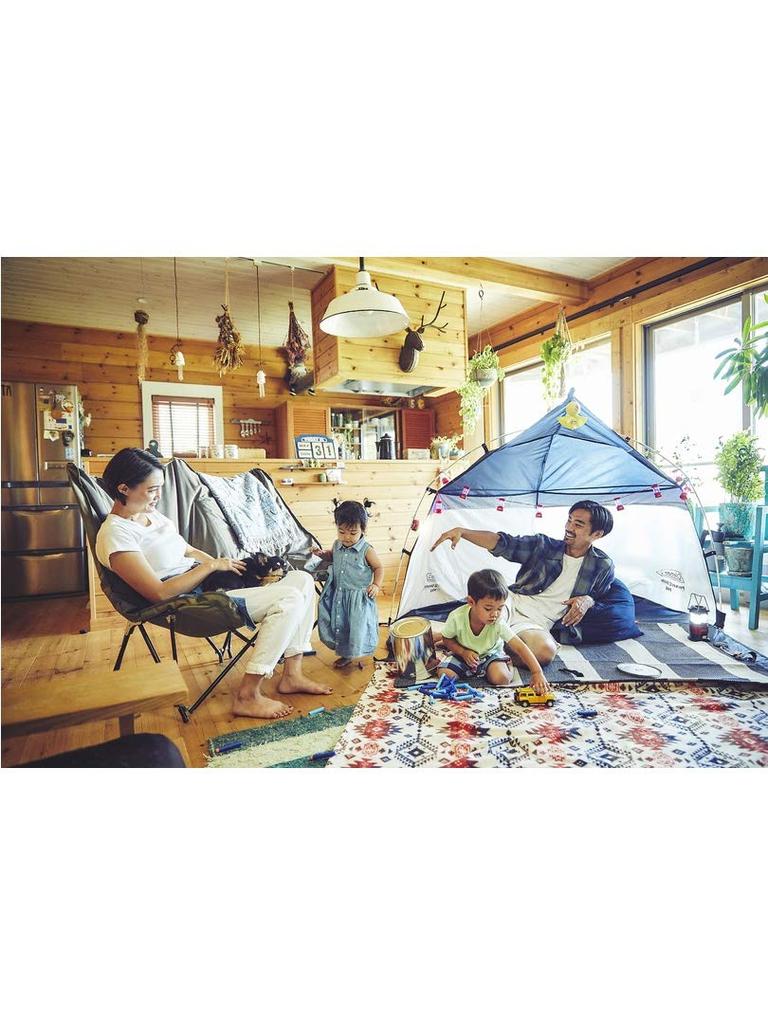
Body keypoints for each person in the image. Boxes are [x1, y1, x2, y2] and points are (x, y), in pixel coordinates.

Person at [95, 447, 330, 720]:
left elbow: (188, 550)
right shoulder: (115, 534)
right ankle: (248, 696)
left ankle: (292, 675)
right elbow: (159, 593)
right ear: (124, 488)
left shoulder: (151, 515)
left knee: (302, 579)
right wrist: (210, 567)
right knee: (288, 599)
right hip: (186, 602)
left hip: (208, 582)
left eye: (160, 488)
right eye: (152, 490)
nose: (158, 496)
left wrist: (222, 564)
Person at [431, 500, 614, 669]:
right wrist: (463, 532)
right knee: (481, 622)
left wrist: (588, 600)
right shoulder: (544, 546)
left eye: (578, 524)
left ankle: (486, 652)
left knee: (545, 653)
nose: (569, 527)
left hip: (536, 622)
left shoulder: (602, 565)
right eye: (569, 520)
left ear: (597, 534)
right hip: (510, 603)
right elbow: (503, 543)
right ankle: (447, 641)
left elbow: (601, 596)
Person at [437, 569, 549, 694]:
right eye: (488, 608)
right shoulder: (456, 618)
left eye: (500, 608)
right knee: (444, 676)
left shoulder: (498, 623)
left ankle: (508, 665)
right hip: (463, 654)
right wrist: (463, 652)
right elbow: (447, 639)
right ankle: (473, 669)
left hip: (490, 654)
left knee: (501, 679)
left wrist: (537, 672)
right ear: (471, 602)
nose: (495, 614)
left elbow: (520, 647)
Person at [314, 499, 383, 669]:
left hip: (358, 598)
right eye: (341, 532)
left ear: (363, 530)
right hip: (340, 594)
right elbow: (333, 555)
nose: (346, 537)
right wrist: (323, 554)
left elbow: (378, 567)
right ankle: (346, 654)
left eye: (353, 533)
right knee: (343, 626)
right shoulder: (337, 544)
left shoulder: (367, 550)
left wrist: (376, 585)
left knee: (356, 628)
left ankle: (356, 652)